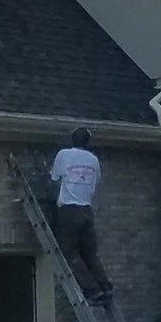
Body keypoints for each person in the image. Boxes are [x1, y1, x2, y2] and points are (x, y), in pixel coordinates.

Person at [49, 127, 112, 300]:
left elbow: (54, 177)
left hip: (69, 210)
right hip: (86, 210)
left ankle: (92, 288)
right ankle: (104, 285)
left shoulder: (64, 154)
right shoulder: (93, 160)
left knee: (67, 251)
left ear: (72, 139)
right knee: (89, 252)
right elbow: (96, 181)